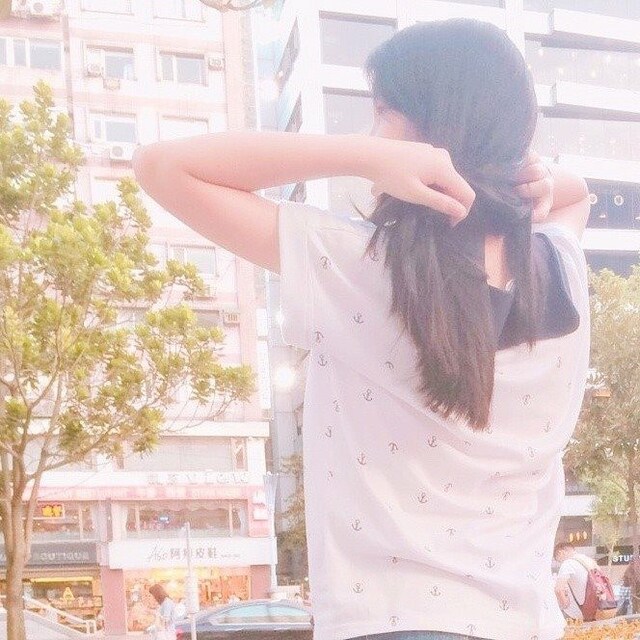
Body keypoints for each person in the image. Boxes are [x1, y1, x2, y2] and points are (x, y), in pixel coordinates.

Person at [133, 18, 591, 640]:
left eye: (381, 114)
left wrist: (361, 157)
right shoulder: (561, 271)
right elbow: (576, 196)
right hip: (524, 622)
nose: (374, 134)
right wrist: (527, 178)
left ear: (430, 130)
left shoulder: (362, 267)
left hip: (390, 617)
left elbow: (163, 166)